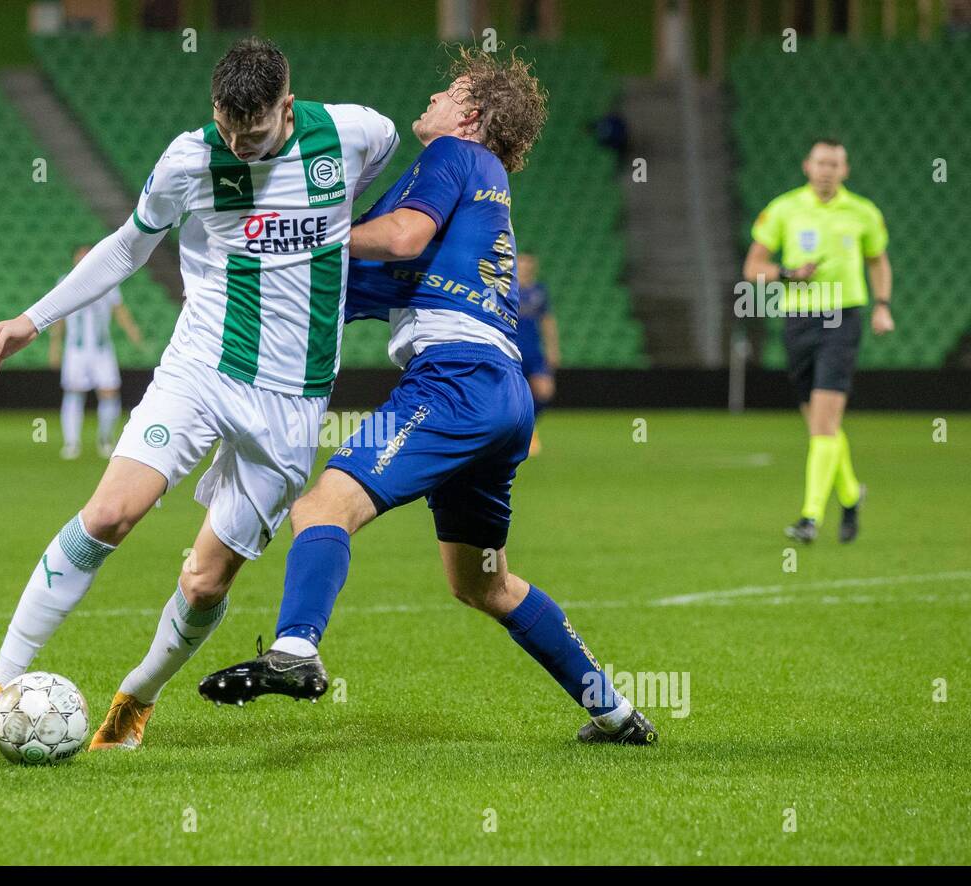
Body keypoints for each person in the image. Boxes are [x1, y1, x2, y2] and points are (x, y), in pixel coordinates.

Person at [0, 37, 398, 750]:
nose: (240, 146)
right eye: (228, 129)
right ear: (215, 108)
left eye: (256, 134)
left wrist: (336, 237)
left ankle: (137, 696)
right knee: (111, 514)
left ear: (287, 104)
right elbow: (126, 246)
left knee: (205, 582)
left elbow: (382, 163)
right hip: (202, 368)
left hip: (294, 403)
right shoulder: (190, 159)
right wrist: (34, 320)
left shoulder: (354, 132)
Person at [199, 48, 657, 745]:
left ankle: (295, 649)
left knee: (324, 505)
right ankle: (617, 713)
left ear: (470, 117)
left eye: (447, 92)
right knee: (483, 584)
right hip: (500, 395)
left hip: (456, 379)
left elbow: (401, 237)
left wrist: (311, 230)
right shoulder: (477, 188)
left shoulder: (453, 157)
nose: (434, 100)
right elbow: (360, 284)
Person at [743, 138, 893, 544]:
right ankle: (849, 495)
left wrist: (882, 304)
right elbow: (753, 267)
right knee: (819, 423)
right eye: (821, 162)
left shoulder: (863, 213)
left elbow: (878, 261)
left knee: (824, 420)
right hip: (797, 320)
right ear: (807, 166)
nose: (827, 169)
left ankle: (810, 517)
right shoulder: (784, 209)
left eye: (835, 163)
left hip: (842, 318)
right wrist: (789, 272)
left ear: (845, 170)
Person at [47, 243, 145, 459]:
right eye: (80, 256)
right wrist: (55, 345)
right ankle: (71, 443)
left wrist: (133, 332)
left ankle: (105, 439)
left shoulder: (108, 281)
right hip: (76, 349)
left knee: (109, 391)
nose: (83, 260)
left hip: (102, 349)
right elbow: (58, 317)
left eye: (87, 255)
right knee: (74, 392)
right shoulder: (65, 282)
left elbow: (120, 311)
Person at [515, 252, 559, 455]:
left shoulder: (539, 291)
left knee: (544, 390)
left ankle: (529, 426)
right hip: (511, 351)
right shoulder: (506, 289)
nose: (524, 266)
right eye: (521, 262)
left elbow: (547, 320)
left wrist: (552, 349)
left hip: (533, 350)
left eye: (528, 263)